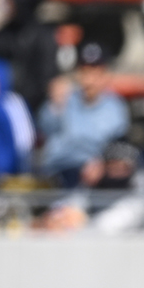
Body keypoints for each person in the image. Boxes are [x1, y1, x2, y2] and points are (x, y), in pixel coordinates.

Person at [38, 42, 130, 188]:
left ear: (105, 75)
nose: (89, 80)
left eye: (95, 73)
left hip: (94, 175)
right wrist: (55, 105)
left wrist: (102, 164)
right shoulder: (66, 98)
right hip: (58, 170)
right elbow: (44, 127)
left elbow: (119, 147)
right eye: (84, 72)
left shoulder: (115, 107)